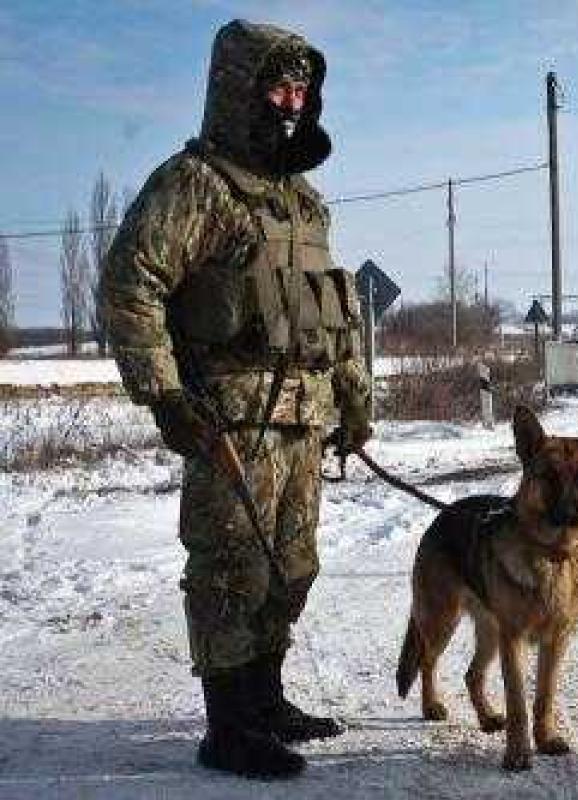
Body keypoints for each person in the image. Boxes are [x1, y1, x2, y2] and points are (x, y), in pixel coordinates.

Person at [100, 19, 371, 780]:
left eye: (302, 88)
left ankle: (264, 700)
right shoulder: (195, 185)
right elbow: (133, 283)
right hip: (229, 420)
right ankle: (226, 727)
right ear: (239, 91)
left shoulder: (304, 204)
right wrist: (165, 396)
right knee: (230, 567)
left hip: (300, 423)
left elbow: (334, 315)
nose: (292, 101)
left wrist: (354, 404)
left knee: (292, 565)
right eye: (278, 86)